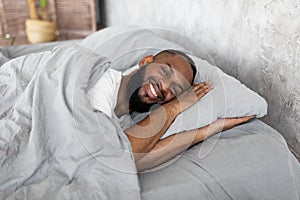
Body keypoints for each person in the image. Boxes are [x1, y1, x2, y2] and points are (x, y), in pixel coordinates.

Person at [88, 49, 253, 171]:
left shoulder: (125, 120)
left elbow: (136, 159)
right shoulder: (101, 82)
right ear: (145, 61)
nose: (165, 86)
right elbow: (112, 156)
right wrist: (173, 107)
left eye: (175, 88)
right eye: (164, 71)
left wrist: (209, 130)